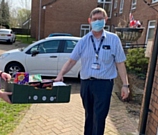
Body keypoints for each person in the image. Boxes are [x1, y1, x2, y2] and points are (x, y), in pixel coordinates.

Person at [54, 7, 130, 135]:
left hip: (104, 84)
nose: (97, 21)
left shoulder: (114, 39)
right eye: (95, 19)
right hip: (86, 84)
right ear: (89, 21)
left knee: (99, 117)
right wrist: (60, 75)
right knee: (89, 115)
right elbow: (72, 60)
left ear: (106, 20)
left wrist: (125, 85)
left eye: (100, 19)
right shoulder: (83, 41)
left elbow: (120, 63)